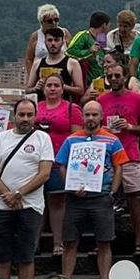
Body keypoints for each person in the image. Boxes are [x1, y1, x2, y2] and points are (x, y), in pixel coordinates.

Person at [53, 100, 126, 279]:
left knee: (104, 243)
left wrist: (113, 192)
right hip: (76, 199)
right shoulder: (71, 140)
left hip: (101, 198)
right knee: (70, 243)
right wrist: (70, 185)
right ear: (82, 117)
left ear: (101, 116)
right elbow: (60, 165)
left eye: (94, 114)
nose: (91, 118)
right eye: (87, 115)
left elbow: (119, 166)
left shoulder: (112, 140)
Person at [0, 98, 54, 279]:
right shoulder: (1, 138)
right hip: (1, 206)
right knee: (2, 257)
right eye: (21, 114)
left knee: (26, 256)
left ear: (35, 116)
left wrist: (19, 194)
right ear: (14, 116)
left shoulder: (42, 138)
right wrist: (8, 195)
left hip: (30, 206)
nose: (25, 119)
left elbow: (45, 173)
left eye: (29, 115)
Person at [98, 55, 140, 256]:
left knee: (133, 199)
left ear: (125, 76)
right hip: (107, 156)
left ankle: (139, 240)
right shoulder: (101, 100)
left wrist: (129, 127)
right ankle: (102, 241)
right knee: (105, 200)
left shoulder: (136, 98)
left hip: (130, 154)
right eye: (110, 76)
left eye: (117, 75)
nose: (113, 79)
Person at [34, 73, 83, 257]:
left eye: (56, 85)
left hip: (59, 162)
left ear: (63, 89)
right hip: (37, 164)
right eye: (49, 85)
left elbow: (77, 138)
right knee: (36, 203)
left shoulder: (72, 109)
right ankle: (33, 242)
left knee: (57, 202)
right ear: (44, 89)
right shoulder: (35, 108)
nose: (52, 88)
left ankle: (57, 242)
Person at [65, 11, 111, 97]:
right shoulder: (83, 35)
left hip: (101, 81)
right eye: (109, 25)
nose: (109, 28)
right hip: (87, 82)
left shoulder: (102, 38)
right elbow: (69, 52)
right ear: (104, 25)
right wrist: (89, 51)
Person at [23, 4, 70, 72]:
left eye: (56, 20)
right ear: (42, 22)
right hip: (40, 75)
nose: (54, 23)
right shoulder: (36, 36)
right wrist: (31, 76)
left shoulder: (65, 33)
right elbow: (29, 59)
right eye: (49, 21)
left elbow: (71, 54)